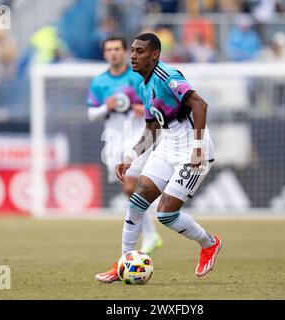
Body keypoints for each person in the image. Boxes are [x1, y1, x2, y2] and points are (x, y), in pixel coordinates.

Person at [95, 33, 222, 283]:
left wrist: (197, 148)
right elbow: (152, 129)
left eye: (139, 51)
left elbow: (200, 105)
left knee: (166, 215)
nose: (133, 55)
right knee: (136, 201)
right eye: (132, 50)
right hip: (167, 147)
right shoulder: (144, 86)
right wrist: (131, 156)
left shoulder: (167, 76)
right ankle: (124, 263)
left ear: (154, 55)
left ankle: (209, 243)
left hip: (193, 151)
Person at [87, 37, 163, 279]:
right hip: (111, 140)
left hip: (136, 137)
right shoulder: (99, 82)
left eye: (117, 49)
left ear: (125, 52)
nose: (113, 53)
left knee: (132, 184)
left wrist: (143, 107)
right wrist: (105, 107)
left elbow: (155, 102)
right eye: (108, 49)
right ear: (105, 53)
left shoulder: (137, 75)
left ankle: (148, 235)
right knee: (128, 189)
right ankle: (150, 232)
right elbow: (91, 114)